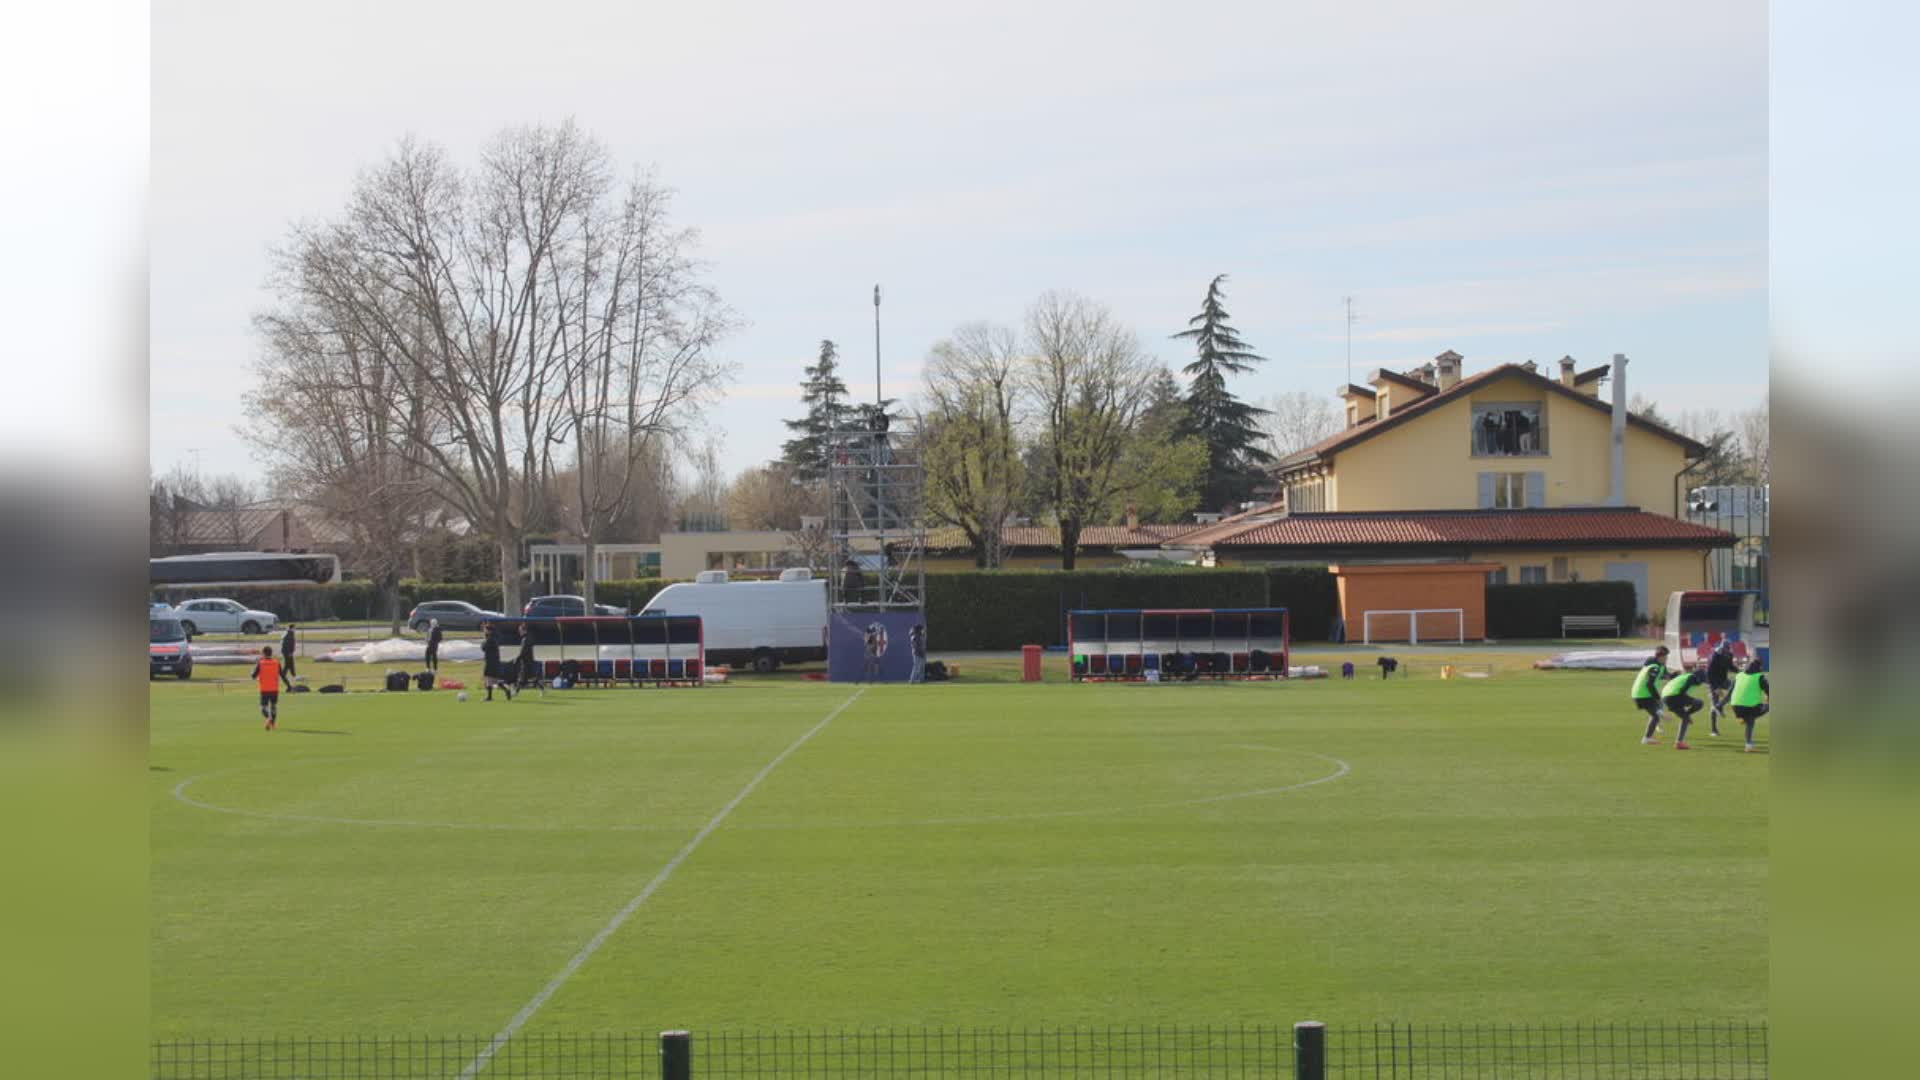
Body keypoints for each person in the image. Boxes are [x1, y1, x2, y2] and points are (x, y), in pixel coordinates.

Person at [1659, 666, 1709, 750]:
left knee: (1685, 719)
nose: (1701, 684)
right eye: (1702, 681)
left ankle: (1679, 743)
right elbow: (1682, 691)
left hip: (1666, 698)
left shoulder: (1685, 676)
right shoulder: (1691, 678)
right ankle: (1688, 715)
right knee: (1700, 703)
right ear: (1698, 678)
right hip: (1674, 696)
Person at [1631, 645, 1671, 745]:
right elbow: (1649, 684)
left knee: (1655, 715)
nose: (1667, 659)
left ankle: (1648, 737)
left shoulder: (1657, 666)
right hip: (1643, 694)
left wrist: (1674, 675)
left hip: (1639, 693)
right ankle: (1647, 737)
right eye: (1666, 657)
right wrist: (1657, 697)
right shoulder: (1654, 667)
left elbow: (1664, 676)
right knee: (1656, 715)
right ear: (1660, 657)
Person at [1729, 657, 1769, 753]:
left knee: (1750, 720)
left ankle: (1749, 744)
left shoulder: (1739, 675)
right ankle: (1748, 745)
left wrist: (1720, 704)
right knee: (1752, 717)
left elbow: (1730, 692)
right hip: (1750, 707)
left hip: (1735, 707)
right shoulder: (1760, 677)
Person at [1705, 639, 1737, 730]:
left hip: (1723, 680)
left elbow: (1730, 666)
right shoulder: (1715, 655)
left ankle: (1721, 705)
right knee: (1714, 704)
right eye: (1724, 649)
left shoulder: (1729, 655)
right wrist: (1715, 688)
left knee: (1736, 687)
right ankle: (1714, 729)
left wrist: (1740, 672)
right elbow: (1709, 674)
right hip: (1713, 682)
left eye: (1727, 649)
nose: (1725, 651)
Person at [250, 645, 283, 730]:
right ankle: (273, 725)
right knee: (273, 706)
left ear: (264, 653)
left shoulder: (260, 663)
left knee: (263, 707)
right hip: (274, 689)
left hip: (264, 689)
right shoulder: (277, 662)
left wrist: (251, 672)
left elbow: (253, 676)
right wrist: (289, 685)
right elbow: (282, 675)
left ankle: (269, 718)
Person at [481, 624, 513, 701]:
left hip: (491, 662)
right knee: (495, 680)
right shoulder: (493, 638)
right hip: (494, 661)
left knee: (489, 678)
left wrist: (483, 641)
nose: (484, 631)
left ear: (489, 630)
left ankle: (490, 697)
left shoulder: (490, 639)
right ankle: (506, 690)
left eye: (485, 629)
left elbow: (483, 647)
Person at [516, 623, 543, 696]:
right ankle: (542, 689)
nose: (519, 632)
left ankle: (515, 692)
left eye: (520, 630)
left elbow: (523, 652)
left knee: (522, 678)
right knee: (530, 678)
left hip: (526, 662)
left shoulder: (525, 639)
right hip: (529, 661)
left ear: (524, 631)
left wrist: (517, 659)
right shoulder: (528, 638)